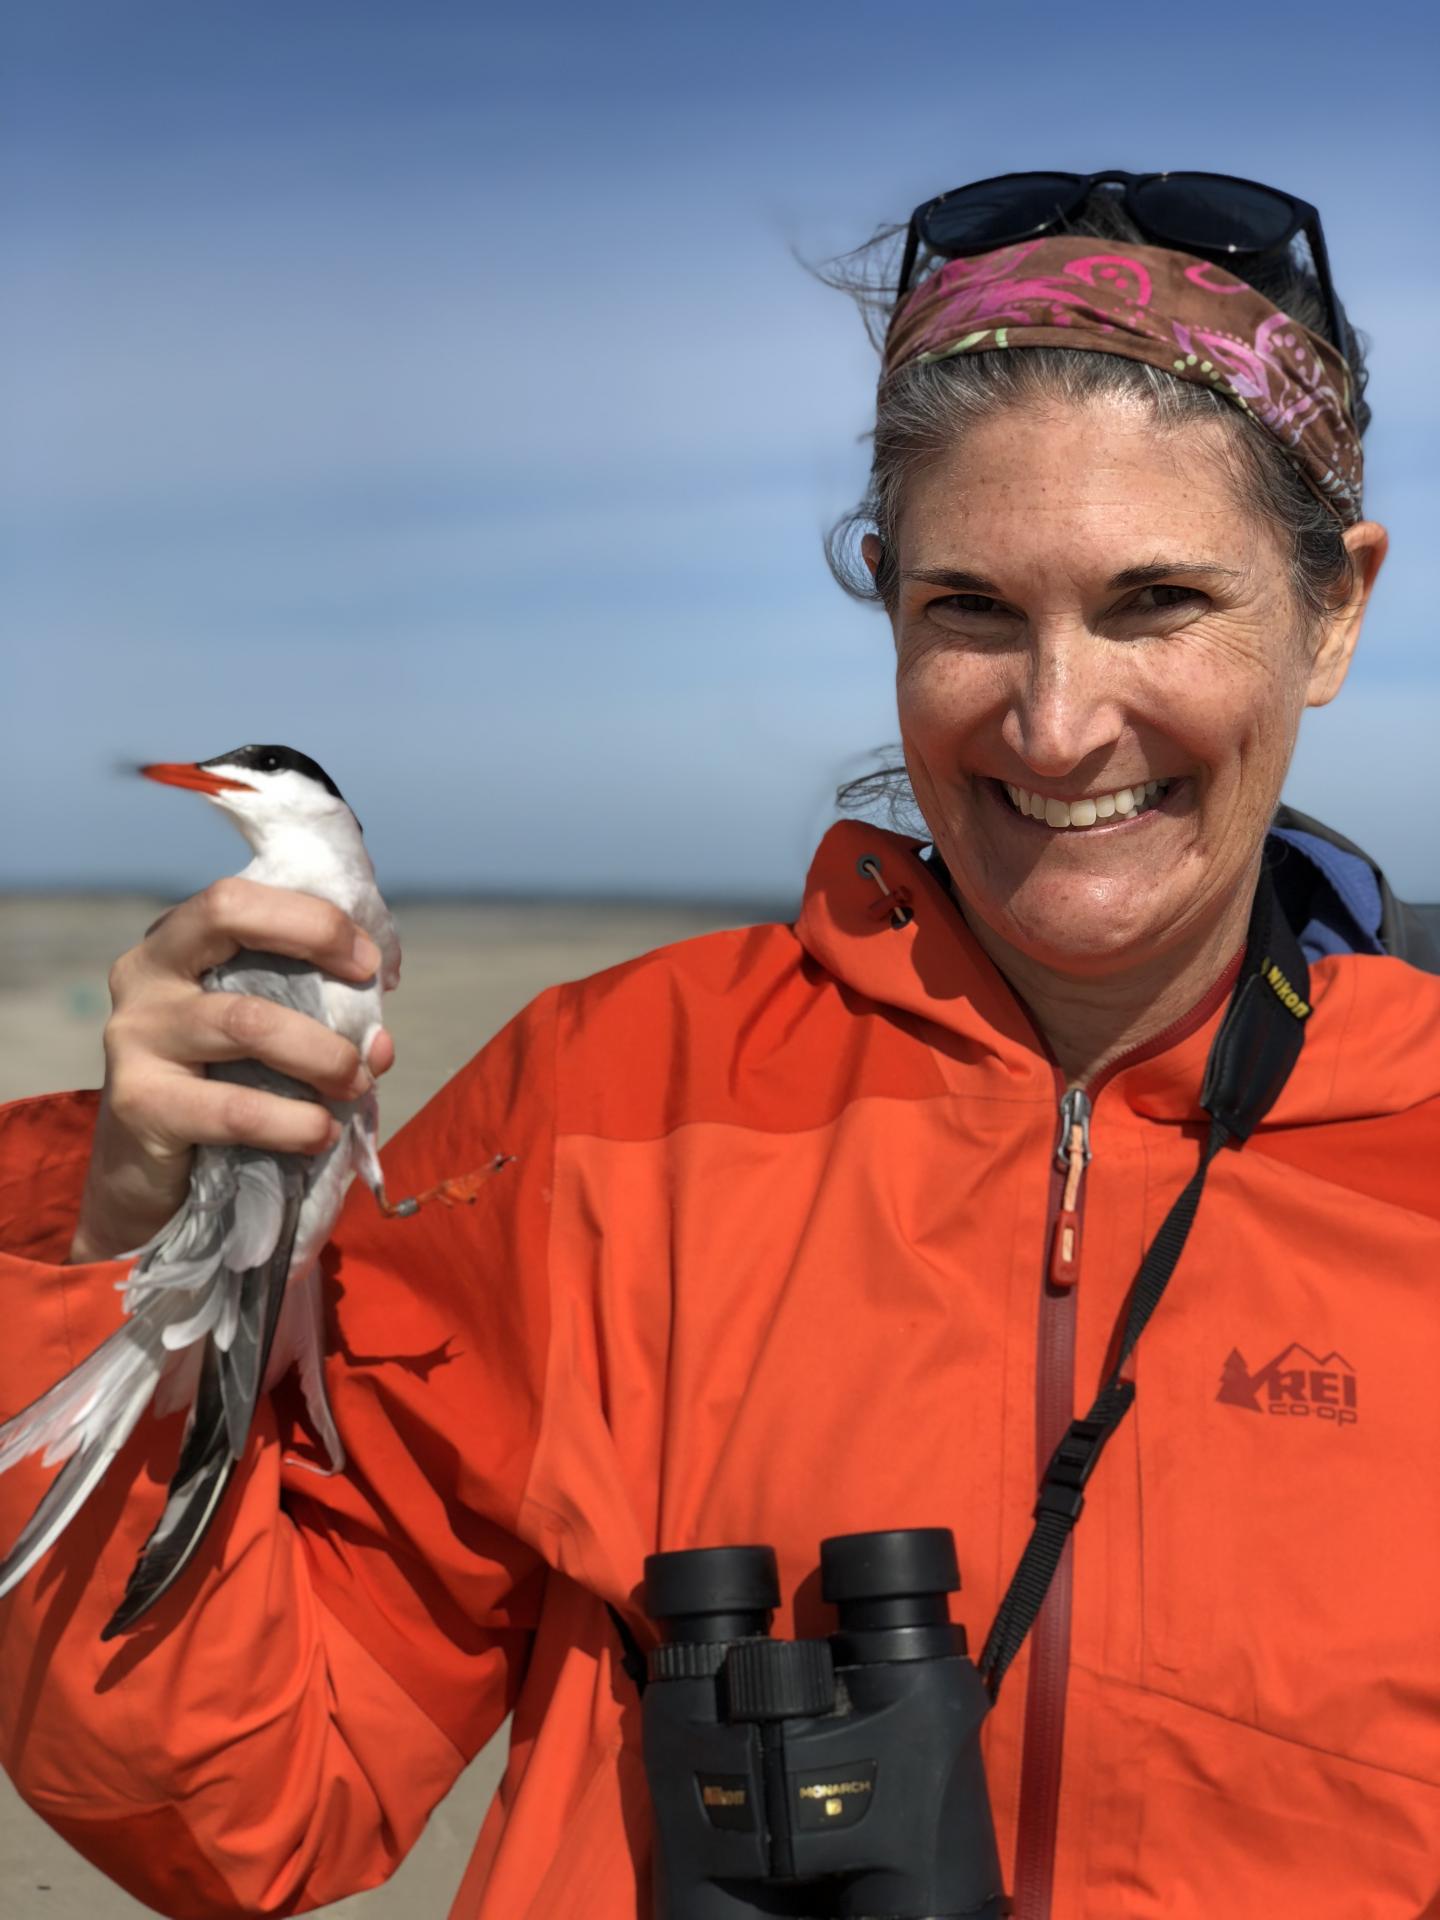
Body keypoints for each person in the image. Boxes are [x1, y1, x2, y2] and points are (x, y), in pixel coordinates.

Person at [2, 170, 1437, 1919]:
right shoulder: (603, 1106)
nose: (1057, 726)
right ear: (889, 607)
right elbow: (240, 1806)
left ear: (1336, 611)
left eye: (1156, 605)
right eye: (970, 610)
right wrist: (116, 1240)